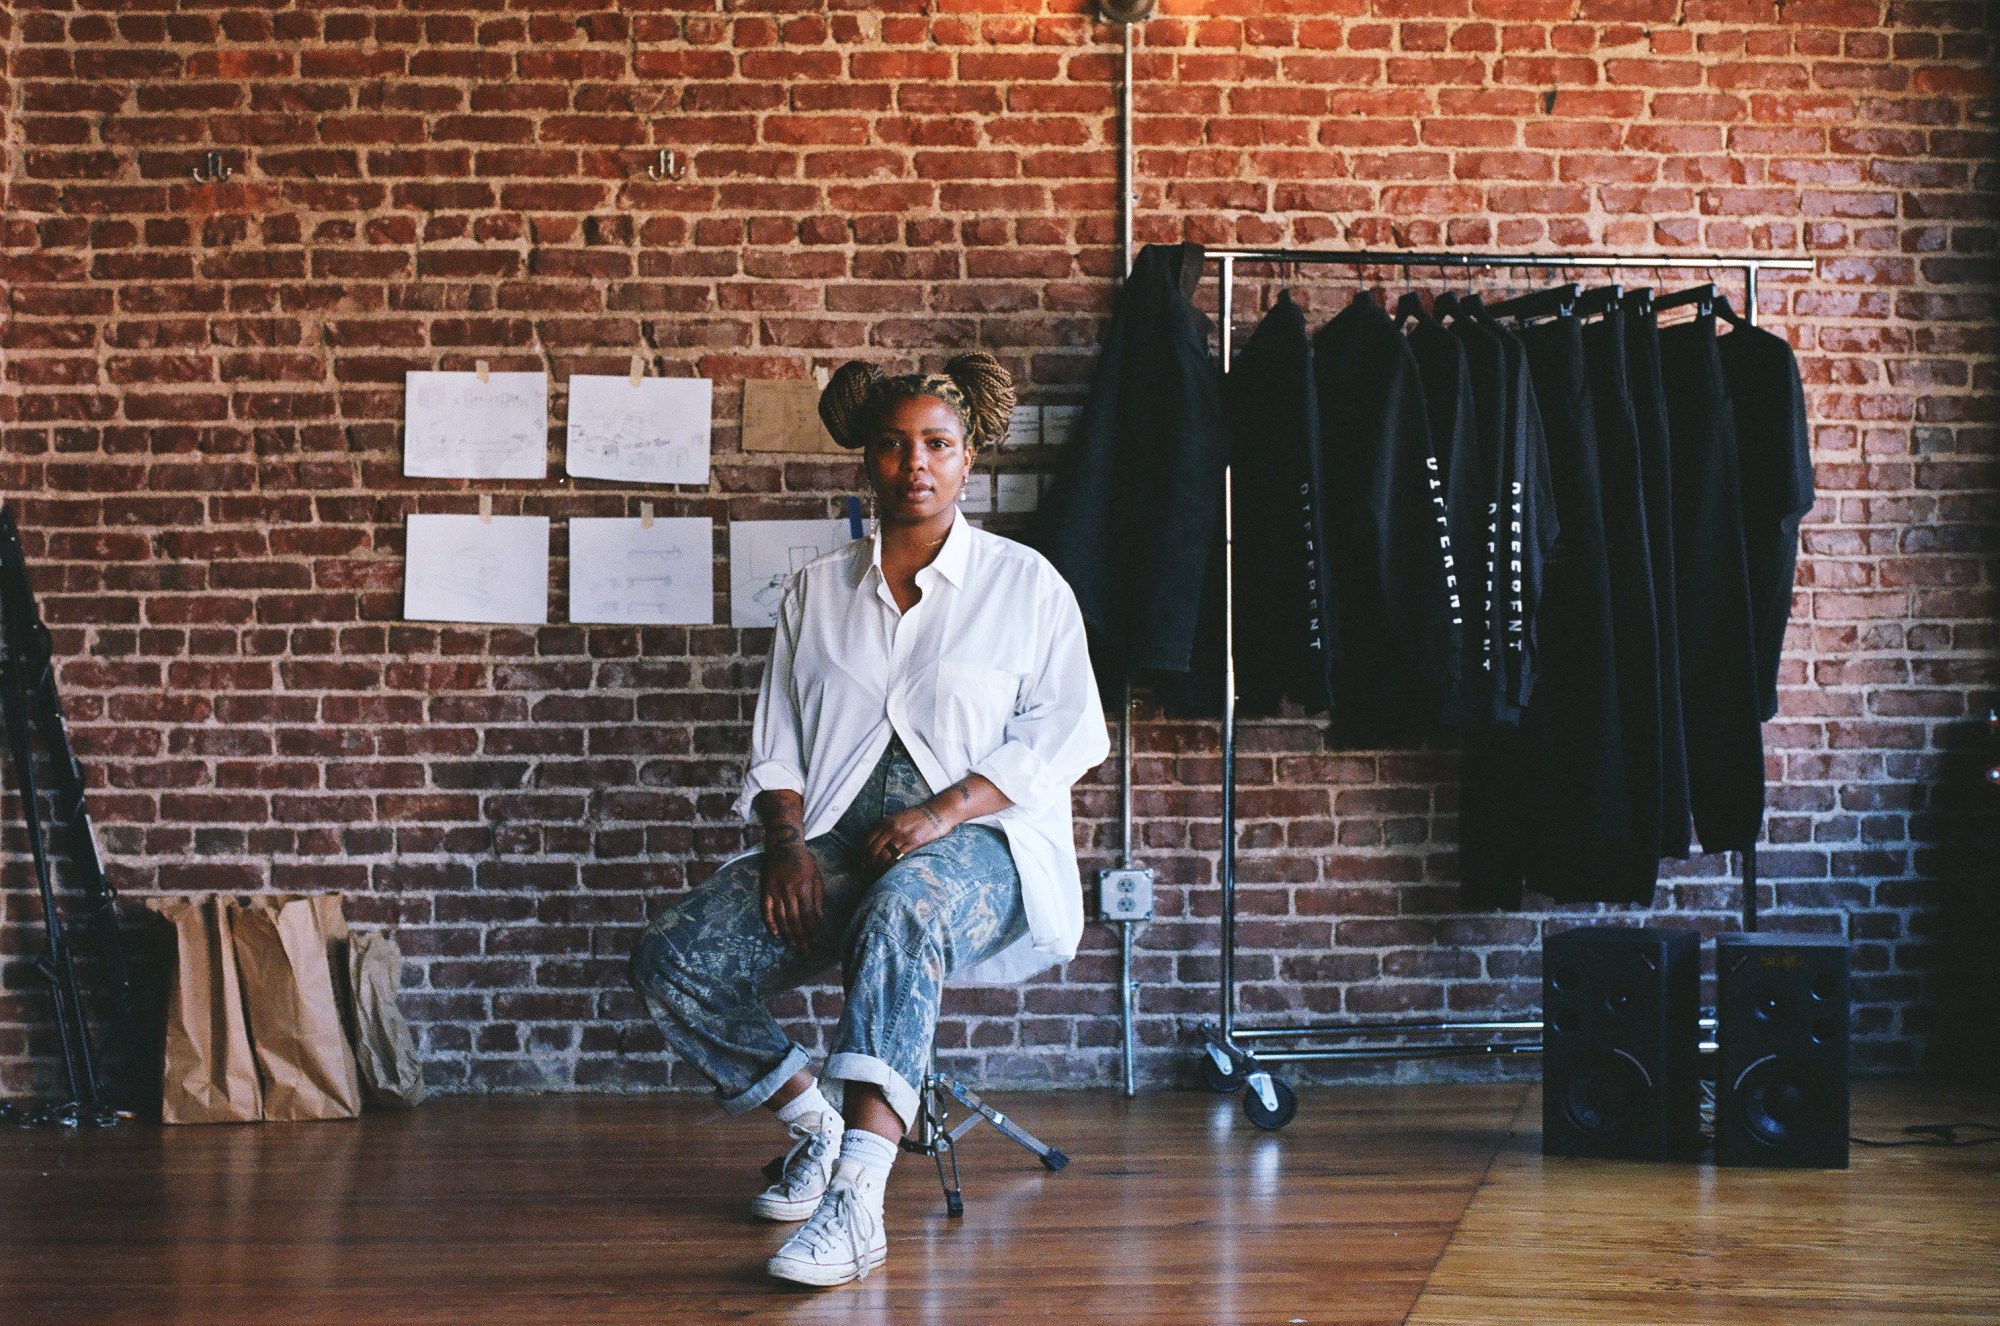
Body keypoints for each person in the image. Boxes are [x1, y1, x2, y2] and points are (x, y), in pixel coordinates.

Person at [629, 353, 1109, 1288]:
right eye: (893, 446)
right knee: (671, 958)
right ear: (865, 463)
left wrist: (942, 812)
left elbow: (1068, 733)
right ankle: (816, 1128)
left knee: (904, 909)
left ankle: (858, 1203)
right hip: (841, 842)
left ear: (970, 462)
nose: (914, 464)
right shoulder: (816, 592)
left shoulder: (1027, 586)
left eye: (937, 445)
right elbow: (777, 747)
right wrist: (787, 848)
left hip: (985, 847)